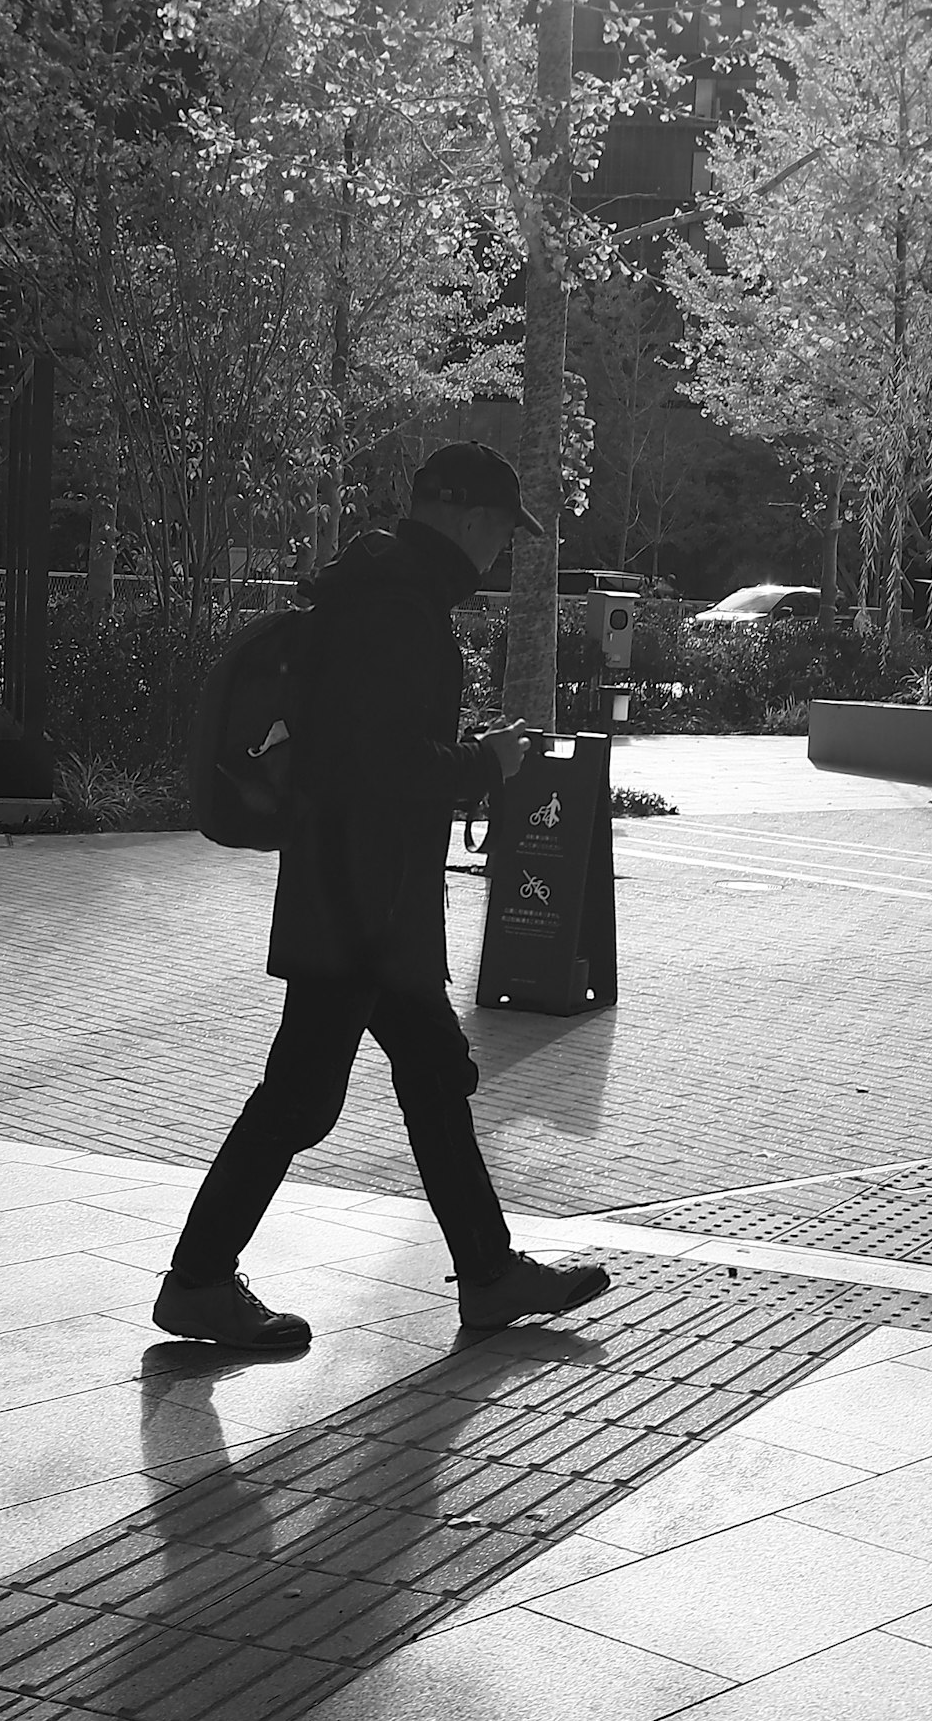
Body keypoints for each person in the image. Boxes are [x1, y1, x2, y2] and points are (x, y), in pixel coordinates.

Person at [156, 443, 613, 1349]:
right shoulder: (398, 606)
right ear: (476, 520)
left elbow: (362, 750)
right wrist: (489, 761)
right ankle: (199, 1278)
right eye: (500, 534)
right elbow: (383, 766)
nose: (497, 555)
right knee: (300, 1097)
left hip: (369, 896)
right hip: (358, 902)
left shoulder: (382, 588)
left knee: (436, 1077)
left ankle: (487, 1273)